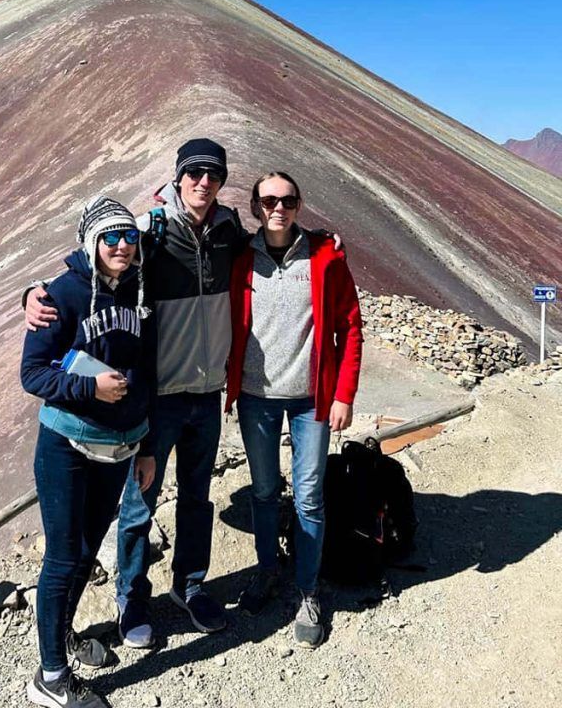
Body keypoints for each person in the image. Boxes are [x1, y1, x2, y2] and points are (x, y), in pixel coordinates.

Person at [26, 139, 248, 648]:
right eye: (194, 172)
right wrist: (32, 294)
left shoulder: (229, 232)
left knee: (197, 497)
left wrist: (320, 241)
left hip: (206, 390)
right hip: (158, 395)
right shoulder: (149, 232)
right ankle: (131, 597)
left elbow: (272, 245)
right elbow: (95, 263)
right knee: (138, 503)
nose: (203, 182)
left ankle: (190, 586)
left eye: (213, 174)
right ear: (178, 176)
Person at [20, 194, 157, 708]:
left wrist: (146, 445)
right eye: (110, 237)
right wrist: (89, 388)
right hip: (67, 444)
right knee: (61, 556)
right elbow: (33, 373)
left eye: (129, 236)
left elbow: (149, 374)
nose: (121, 246)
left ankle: (62, 636)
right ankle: (51, 677)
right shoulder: (62, 294)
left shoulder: (140, 291)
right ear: (91, 242)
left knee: (85, 551)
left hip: (118, 448)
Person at [225, 171, 363, 648]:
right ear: (255, 207)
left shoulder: (325, 257)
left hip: (312, 399)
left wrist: (344, 394)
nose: (278, 209)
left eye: (287, 201)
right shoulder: (240, 257)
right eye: (268, 201)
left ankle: (308, 590)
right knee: (264, 492)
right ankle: (267, 570)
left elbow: (350, 327)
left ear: (299, 205)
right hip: (256, 396)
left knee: (308, 496)